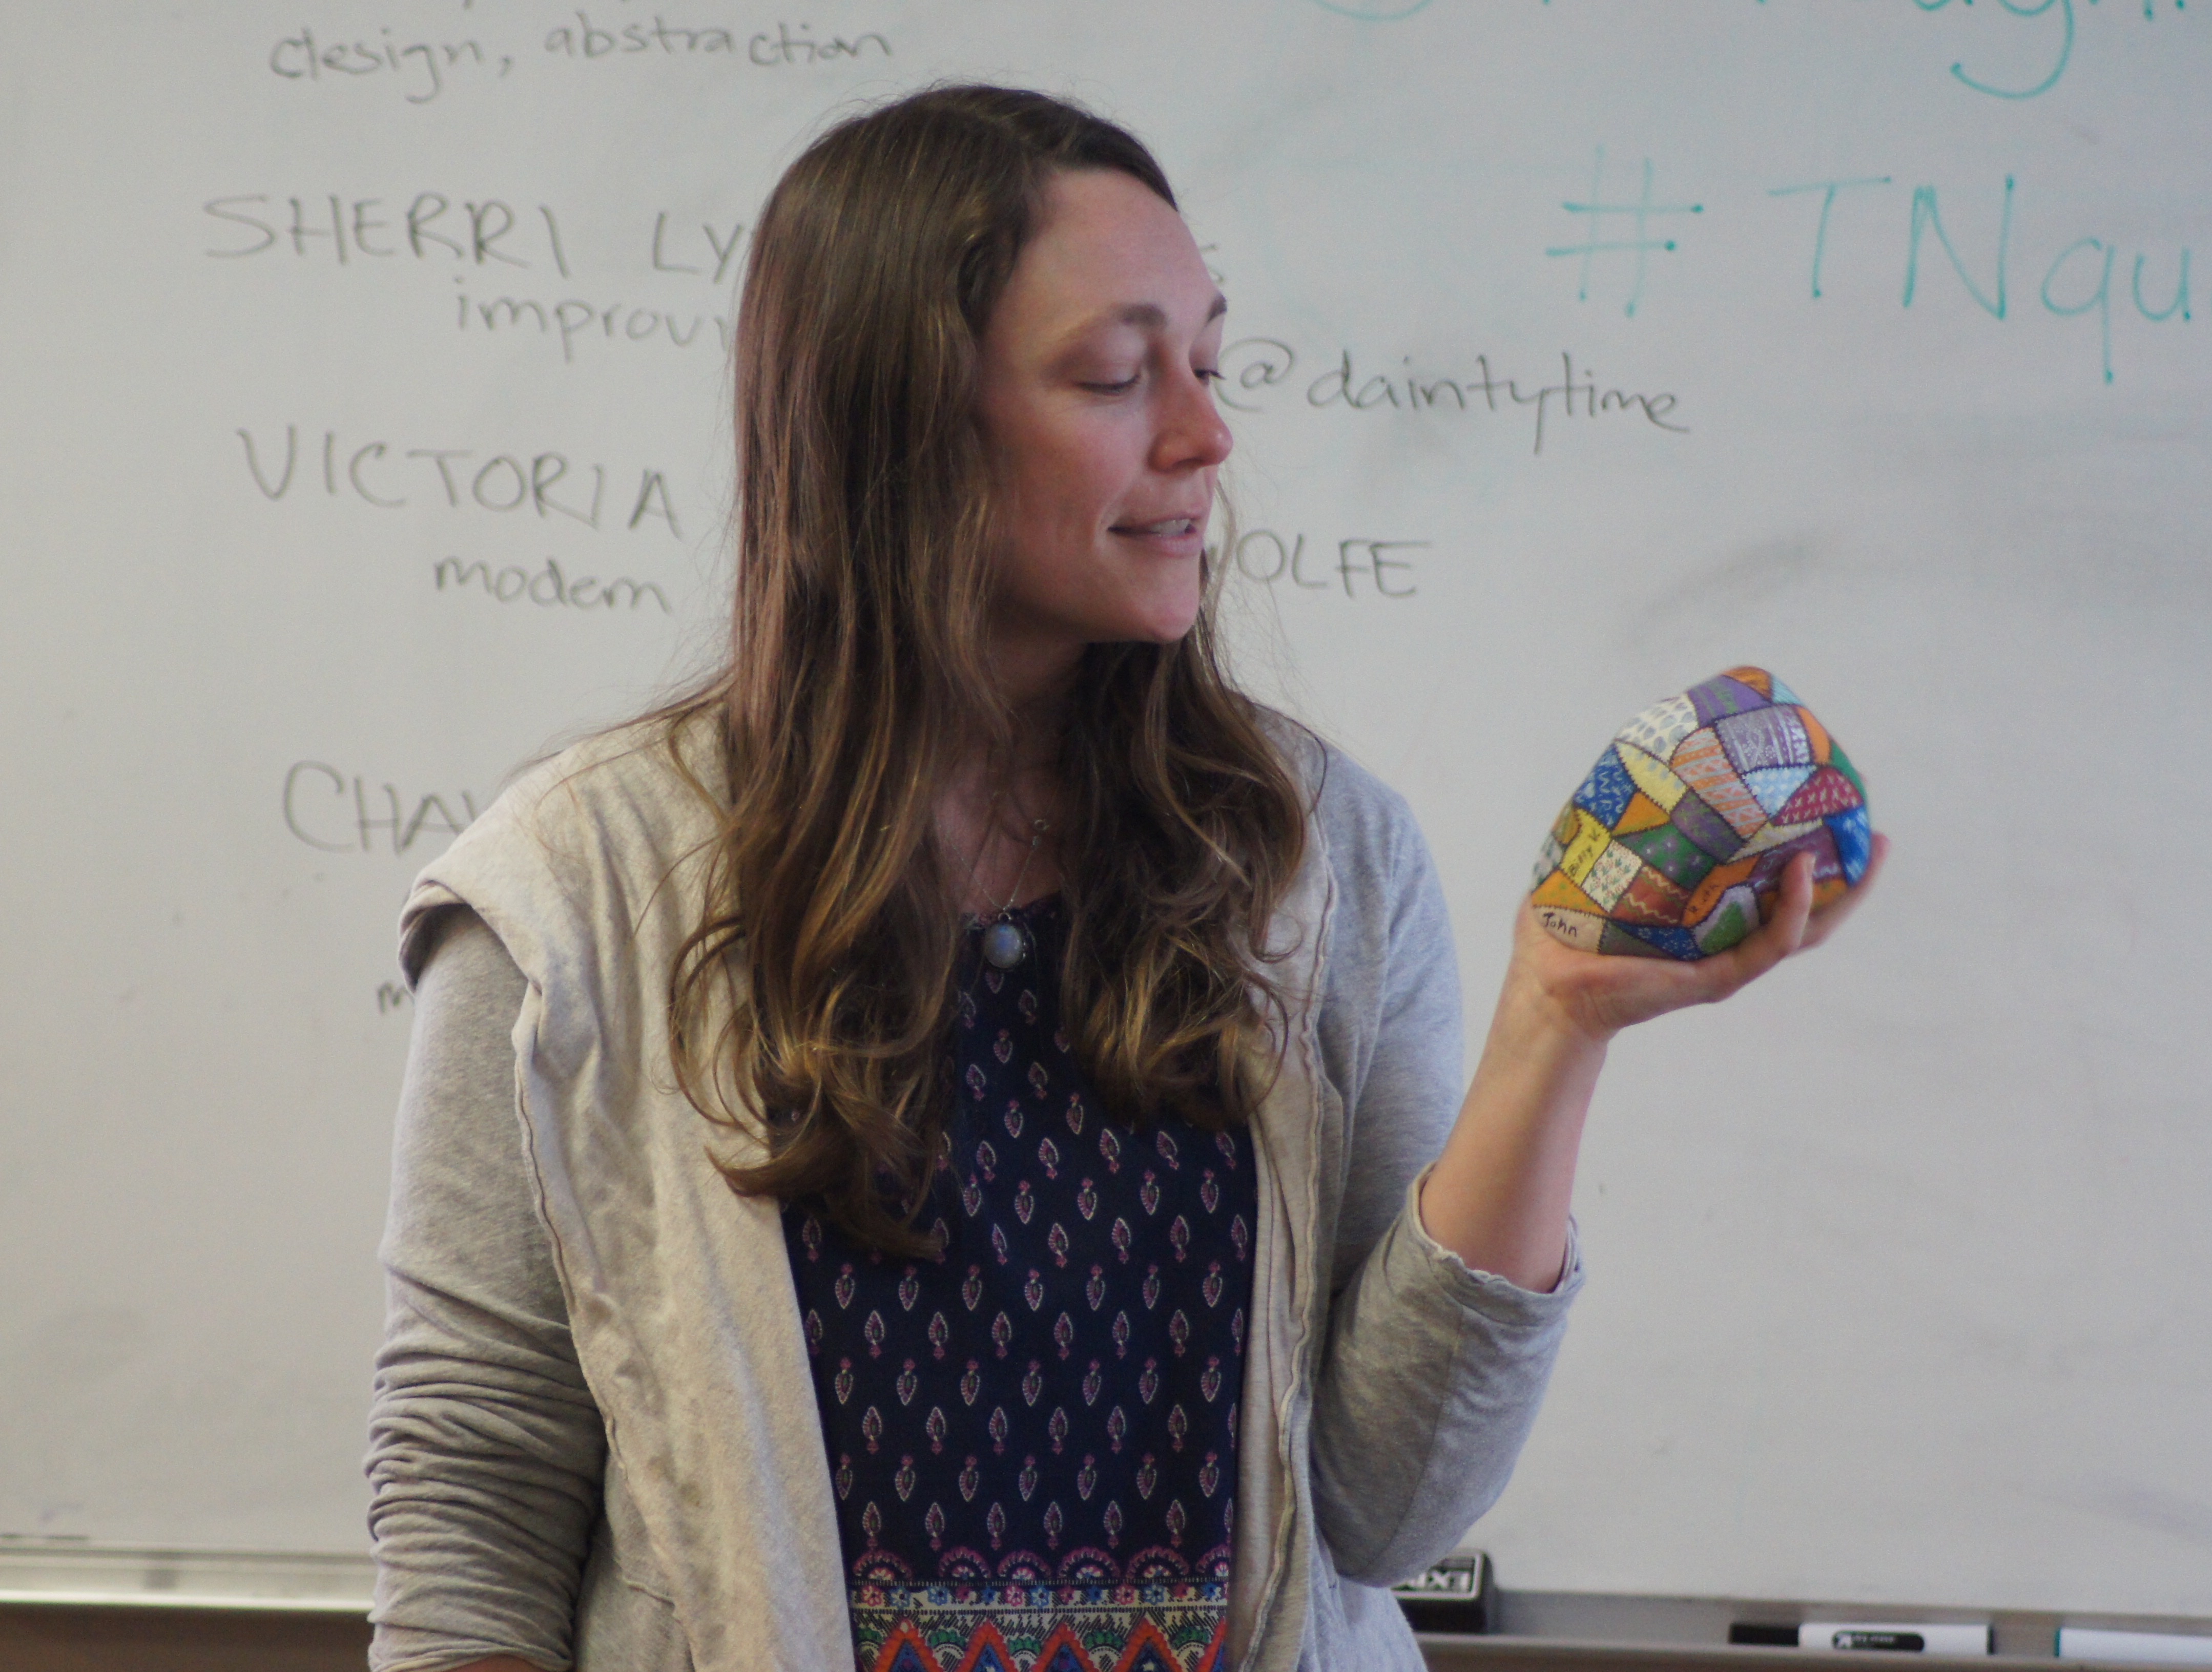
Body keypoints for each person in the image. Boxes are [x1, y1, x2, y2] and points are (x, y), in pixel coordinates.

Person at [363, 86, 1878, 1672]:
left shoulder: (1323, 860)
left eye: (1208, 363)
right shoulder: (570, 902)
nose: (1206, 435)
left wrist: (1555, 1023)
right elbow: (472, 1496)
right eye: (1113, 374)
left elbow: (1386, 1510)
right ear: (900, 423)